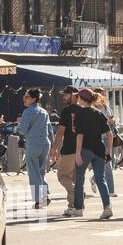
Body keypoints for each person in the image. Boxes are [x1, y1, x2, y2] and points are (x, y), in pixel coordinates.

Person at [72, 88, 113, 219]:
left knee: (79, 178)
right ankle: (107, 207)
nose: (77, 99)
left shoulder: (80, 113)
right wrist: (108, 150)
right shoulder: (98, 113)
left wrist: (77, 153)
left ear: (82, 99)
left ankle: (79, 208)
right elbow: (109, 133)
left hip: (85, 150)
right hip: (99, 150)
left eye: (78, 97)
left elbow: (80, 135)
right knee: (101, 179)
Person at [17, 88, 54, 208]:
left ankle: (41, 198)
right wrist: (54, 146)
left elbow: (22, 130)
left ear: (33, 99)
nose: (24, 99)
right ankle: (45, 193)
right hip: (45, 143)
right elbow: (50, 130)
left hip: (33, 143)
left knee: (33, 172)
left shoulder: (27, 112)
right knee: (41, 171)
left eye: (26, 97)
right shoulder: (44, 112)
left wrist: (18, 124)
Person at [49, 86, 81, 215]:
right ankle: (76, 203)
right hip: (82, 150)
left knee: (62, 176)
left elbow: (60, 131)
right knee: (75, 177)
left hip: (69, 149)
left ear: (74, 95)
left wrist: (54, 148)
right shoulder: (84, 110)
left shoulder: (66, 111)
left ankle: (74, 198)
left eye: (66, 95)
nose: (63, 97)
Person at [89, 88, 118, 199]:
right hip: (100, 139)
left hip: (109, 137)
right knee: (108, 164)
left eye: (104, 95)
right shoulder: (94, 109)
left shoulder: (107, 107)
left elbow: (111, 120)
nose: (104, 97)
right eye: (102, 95)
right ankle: (110, 190)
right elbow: (97, 123)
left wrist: (112, 122)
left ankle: (94, 179)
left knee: (110, 163)